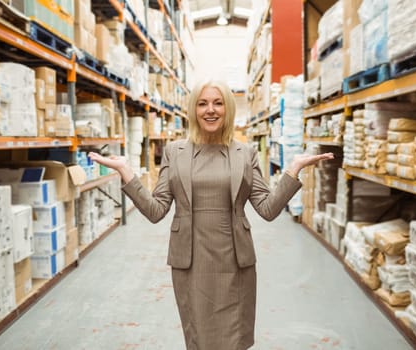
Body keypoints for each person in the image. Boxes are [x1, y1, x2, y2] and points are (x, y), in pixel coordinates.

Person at [88, 79, 334, 350]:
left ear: (228, 109)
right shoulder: (174, 152)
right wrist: (126, 172)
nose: (210, 110)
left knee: (234, 338)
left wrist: (293, 170)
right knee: (200, 339)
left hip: (235, 262)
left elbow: (267, 208)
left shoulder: (246, 153)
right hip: (191, 261)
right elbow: (156, 210)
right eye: (202, 103)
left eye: (218, 103)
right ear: (194, 110)